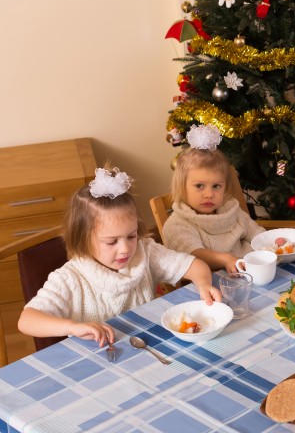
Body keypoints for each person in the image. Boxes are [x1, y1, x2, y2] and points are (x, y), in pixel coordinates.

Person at [18, 167, 220, 348]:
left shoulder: (145, 251)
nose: (125, 249)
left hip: (148, 346)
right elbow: (27, 320)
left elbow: (195, 265)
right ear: (83, 239)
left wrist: (203, 284)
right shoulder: (69, 279)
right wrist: (72, 327)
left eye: (131, 236)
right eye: (112, 242)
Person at [163, 124, 266, 273]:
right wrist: (225, 259)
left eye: (216, 186)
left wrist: (272, 243)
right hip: (212, 284)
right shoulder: (177, 224)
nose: (209, 194)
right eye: (199, 186)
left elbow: (256, 234)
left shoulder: (231, 209)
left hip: (250, 270)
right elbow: (194, 254)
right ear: (182, 186)